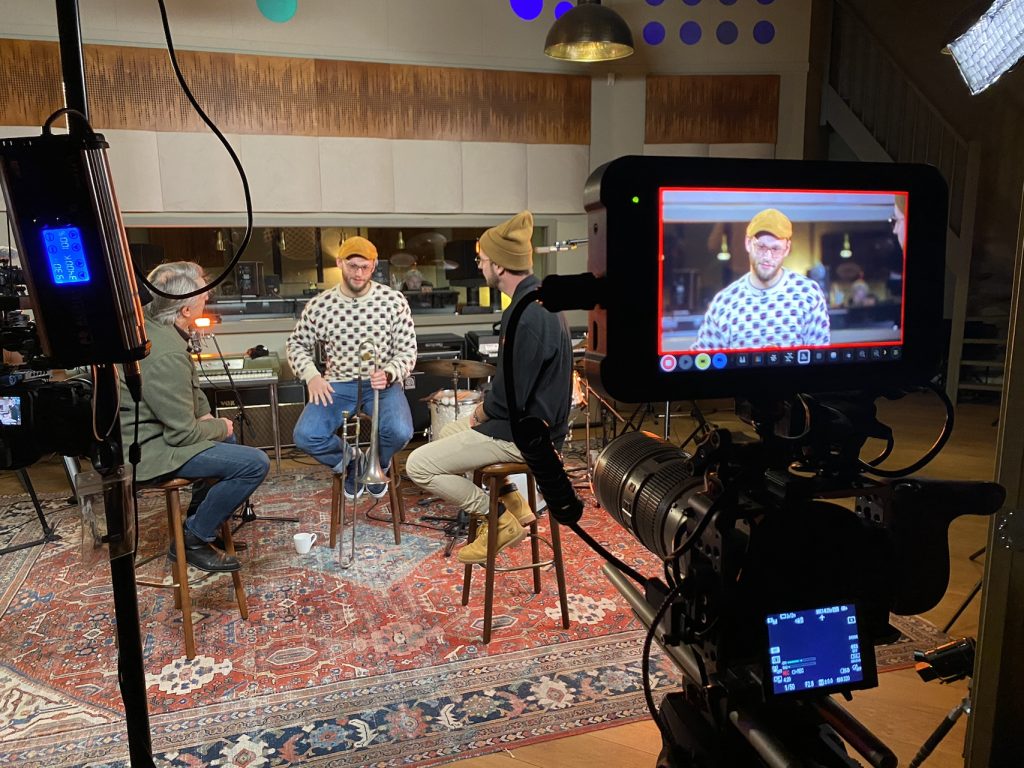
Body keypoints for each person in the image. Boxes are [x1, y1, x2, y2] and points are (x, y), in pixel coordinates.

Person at [405, 211, 574, 564]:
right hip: (526, 427)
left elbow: (511, 397)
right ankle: (513, 498)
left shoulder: (527, 315)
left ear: (499, 265)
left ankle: (497, 518)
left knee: (418, 465)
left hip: (526, 438)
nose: (480, 264)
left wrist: (479, 414)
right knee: (448, 430)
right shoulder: (538, 301)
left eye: (482, 259)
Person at [122, 262, 270, 573]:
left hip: (157, 435)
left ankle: (201, 521)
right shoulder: (166, 353)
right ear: (186, 309)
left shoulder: (156, 326)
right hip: (149, 451)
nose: (208, 297)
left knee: (228, 438)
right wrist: (218, 425)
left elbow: (189, 386)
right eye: (203, 293)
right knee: (255, 463)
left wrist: (206, 415)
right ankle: (192, 539)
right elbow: (182, 435)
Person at [288, 236, 416, 498]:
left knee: (400, 432)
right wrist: (312, 376)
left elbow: (408, 351)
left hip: (382, 384)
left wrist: (390, 373)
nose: (358, 273)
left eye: (365, 267)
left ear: (374, 265)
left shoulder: (393, 301)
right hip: (338, 384)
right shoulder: (320, 305)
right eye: (352, 266)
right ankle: (352, 460)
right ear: (339, 263)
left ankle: (377, 462)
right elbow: (295, 344)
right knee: (306, 435)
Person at [693, 208, 830, 350]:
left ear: (787, 249)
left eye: (775, 249)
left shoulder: (808, 294)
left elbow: (820, 356)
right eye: (761, 247)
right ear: (748, 243)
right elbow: (702, 357)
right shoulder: (724, 303)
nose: (767, 257)